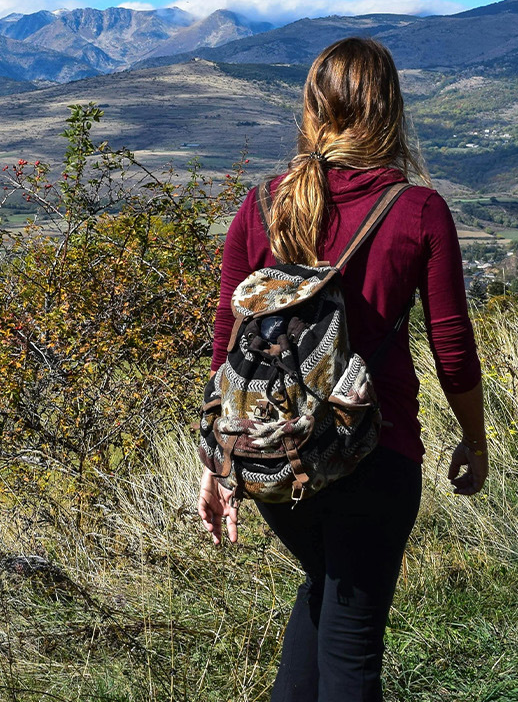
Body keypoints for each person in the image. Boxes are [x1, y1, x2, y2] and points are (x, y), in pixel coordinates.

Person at [199, 36, 488, 702]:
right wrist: (473, 441)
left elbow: (227, 343)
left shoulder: (263, 204)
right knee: (352, 650)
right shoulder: (416, 210)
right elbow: (453, 349)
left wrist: (219, 462)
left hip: (275, 456)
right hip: (374, 454)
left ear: (311, 108)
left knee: (323, 596)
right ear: (390, 110)